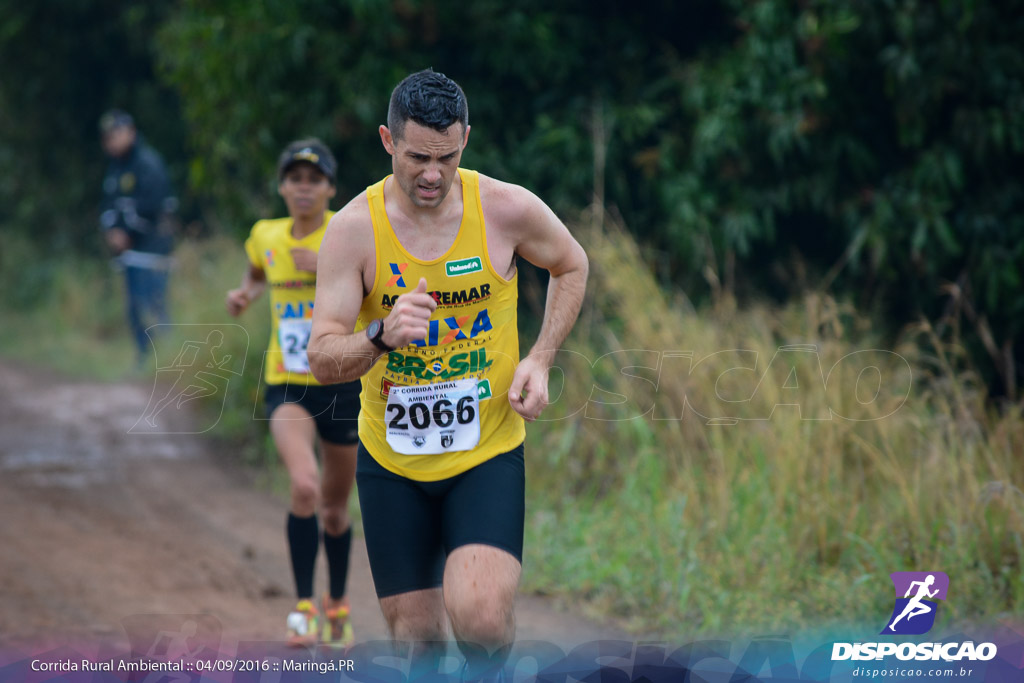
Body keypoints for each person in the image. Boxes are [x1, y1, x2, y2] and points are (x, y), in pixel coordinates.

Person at [308, 70, 588, 677]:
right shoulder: (354, 230)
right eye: (416, 157)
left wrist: (540, 358)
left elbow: (571, 263)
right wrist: (380, 334)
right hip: (391, 463)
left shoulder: (505, 208)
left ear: (467, 140)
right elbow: (322, 357)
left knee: (482, 619)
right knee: (420, 645)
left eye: (448, 157)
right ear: (387, 141)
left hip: (485, 452)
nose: (432, 174)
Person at [225, 139, 360, 649]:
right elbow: (258, 271)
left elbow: (373, 297)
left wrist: (323, 266)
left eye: (314, 179)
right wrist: (246, 294)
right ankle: (303, 607)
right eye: (295, 179)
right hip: (289, 384)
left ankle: (338, 606)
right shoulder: (266, 235)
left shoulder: (346, 235)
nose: (304, 188)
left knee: (333, 508)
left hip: (344, 385)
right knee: (304, 485)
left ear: (330, 188)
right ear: (283, 186)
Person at [99, 109, 177, 363]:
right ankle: (144, 358)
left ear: (131, 132)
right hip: (129, 254)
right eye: (108, 137)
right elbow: (109, 205)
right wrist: (113, 233)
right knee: (134, 307)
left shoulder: (148, 163)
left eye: (117, 134)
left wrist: (127, 232)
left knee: (155, 305)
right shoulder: (115, 169)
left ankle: (167, 360)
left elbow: (155, 205)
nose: (112, 141)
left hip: (153, 250)